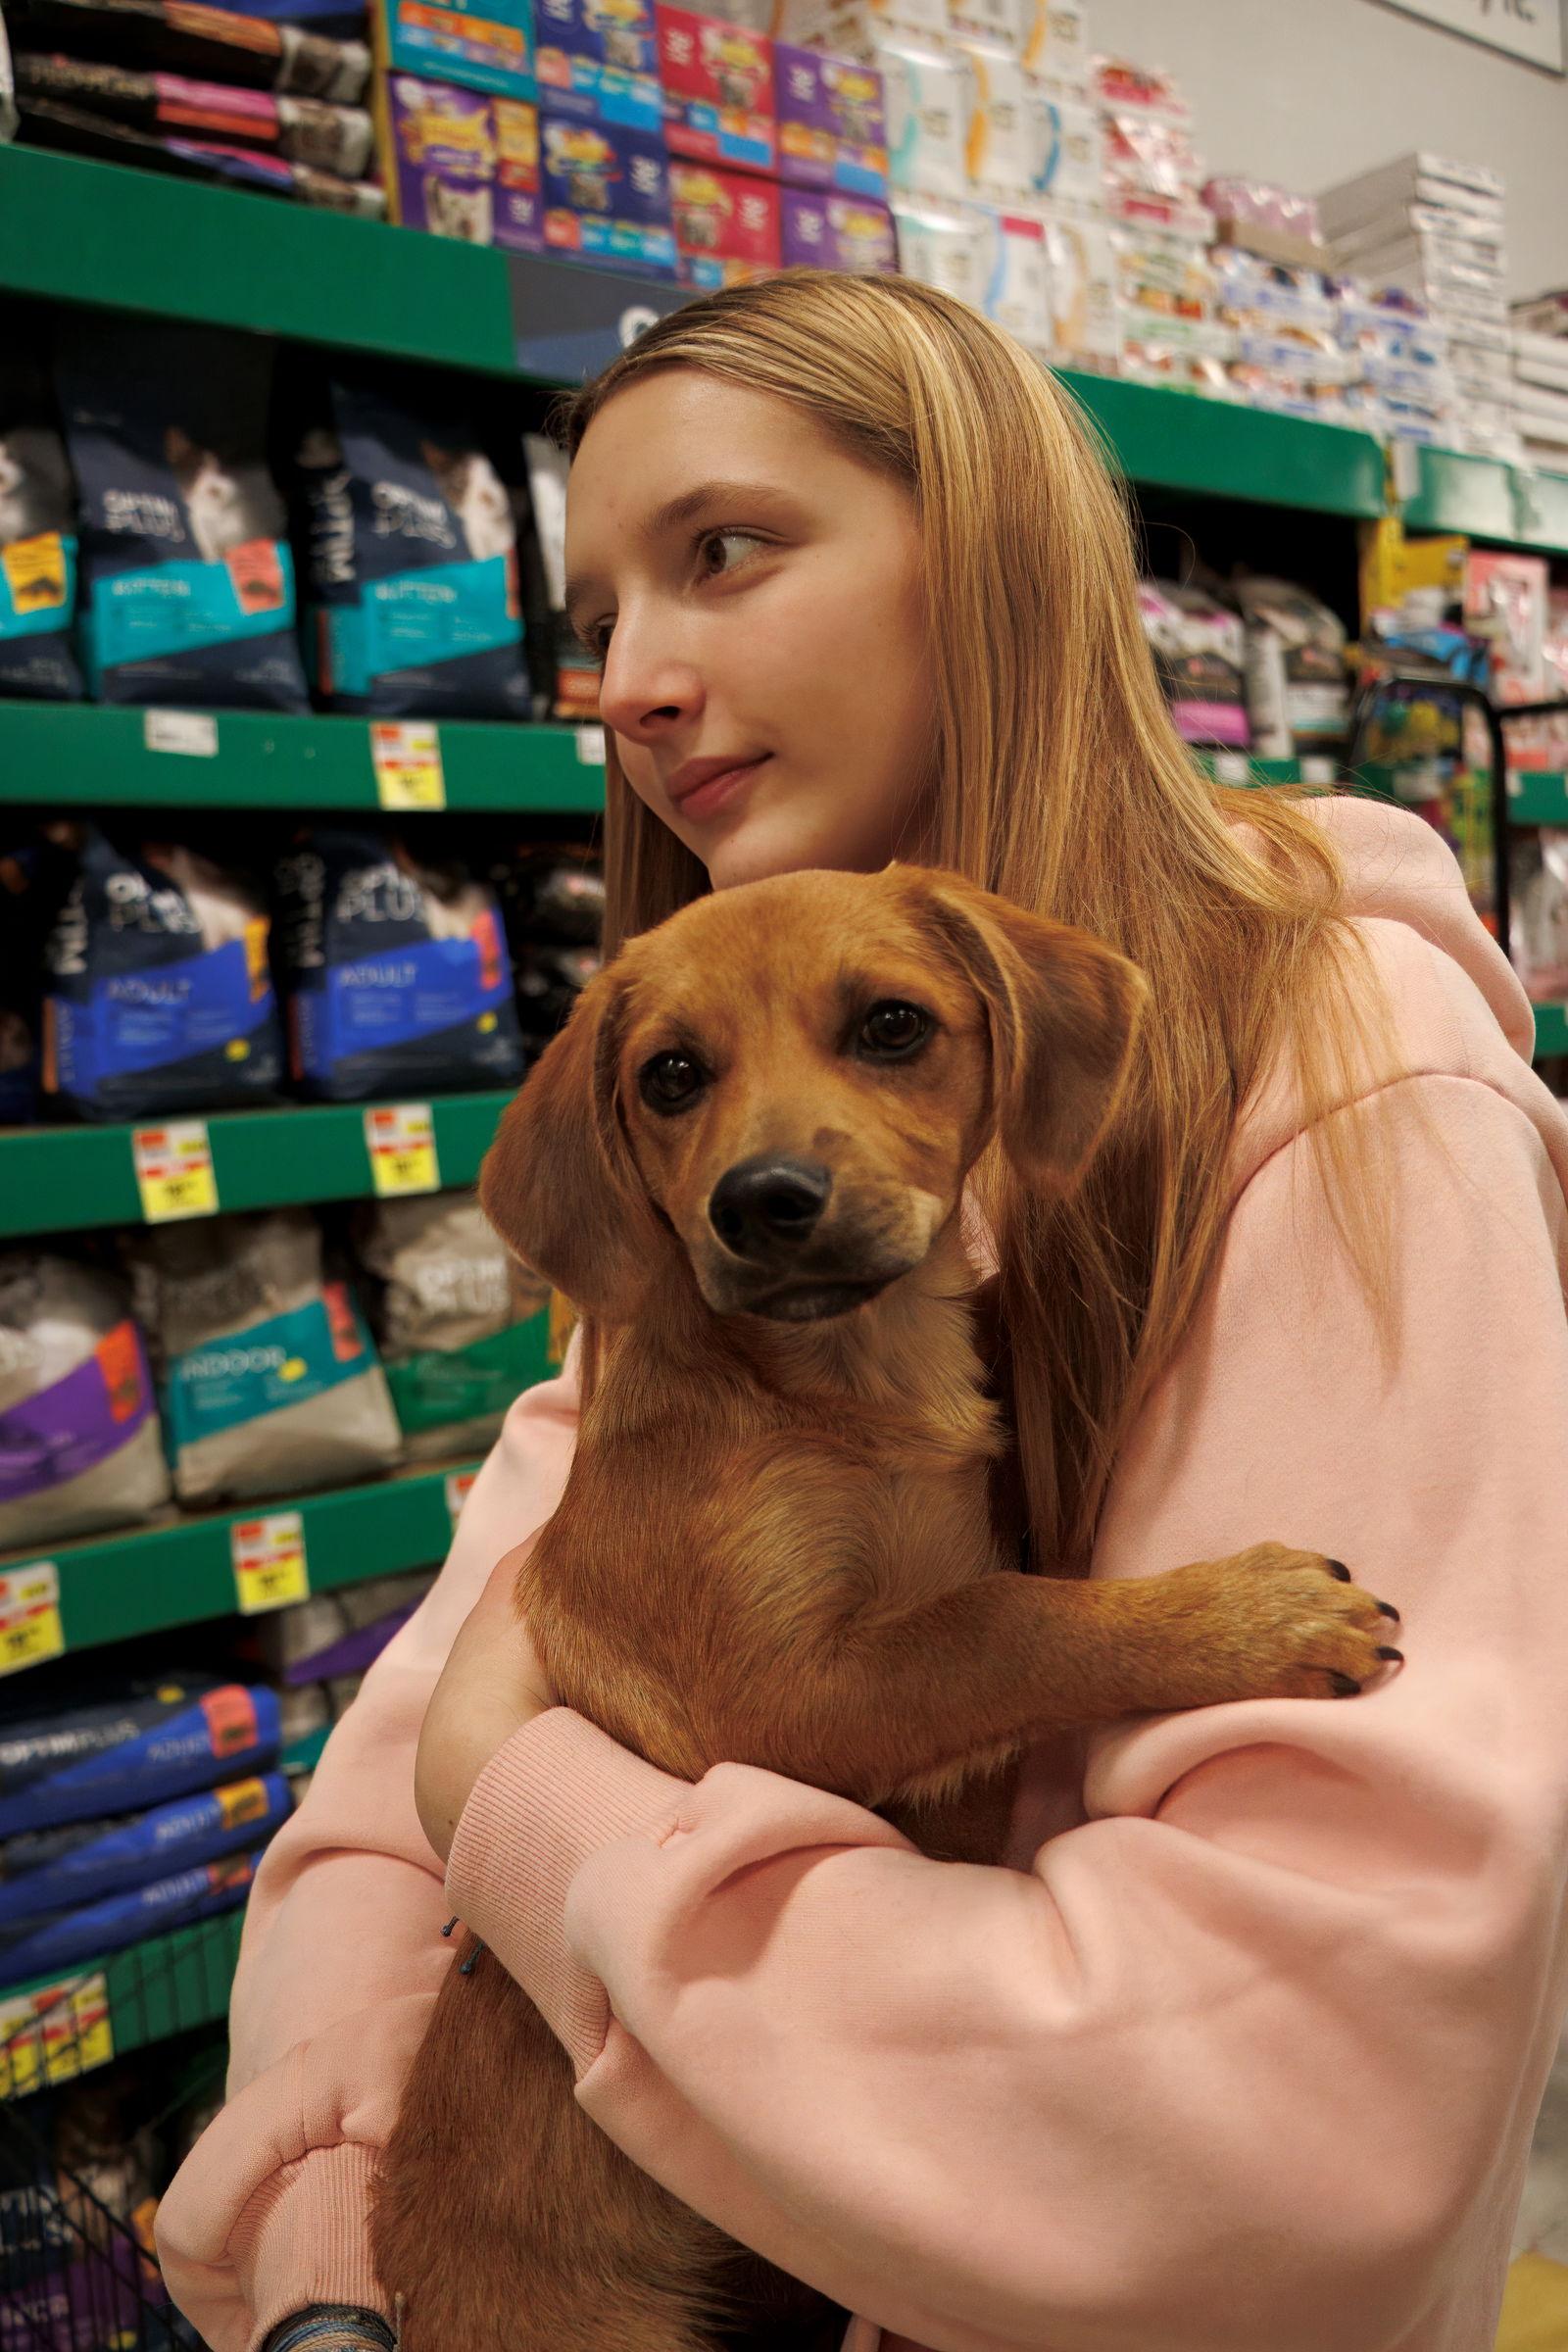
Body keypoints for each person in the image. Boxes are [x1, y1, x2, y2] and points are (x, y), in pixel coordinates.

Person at [157, 272, 1568, 2352]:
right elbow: (374, 1820)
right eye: (594, 620)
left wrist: (528, 1805)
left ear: (986, 553)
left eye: (719, 552)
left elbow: (1285, 2143)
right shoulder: (732, 1193)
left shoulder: (1350, 1084)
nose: (628, 683)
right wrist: (327, 2268)